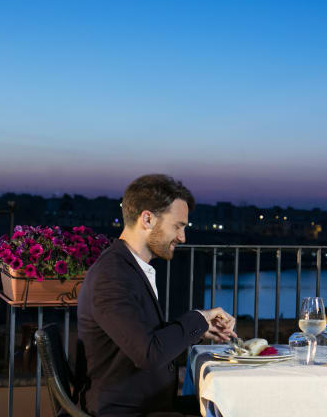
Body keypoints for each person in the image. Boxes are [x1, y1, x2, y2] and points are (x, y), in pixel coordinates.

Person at [78, 174, 237, 416]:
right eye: (177, 226)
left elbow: (146, 339)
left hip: (149, 405)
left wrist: (199, 329)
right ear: (147, 219)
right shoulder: (111, 276)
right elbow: (148, 354)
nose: (182, 237)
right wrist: (199, 317)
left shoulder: (128, 268)